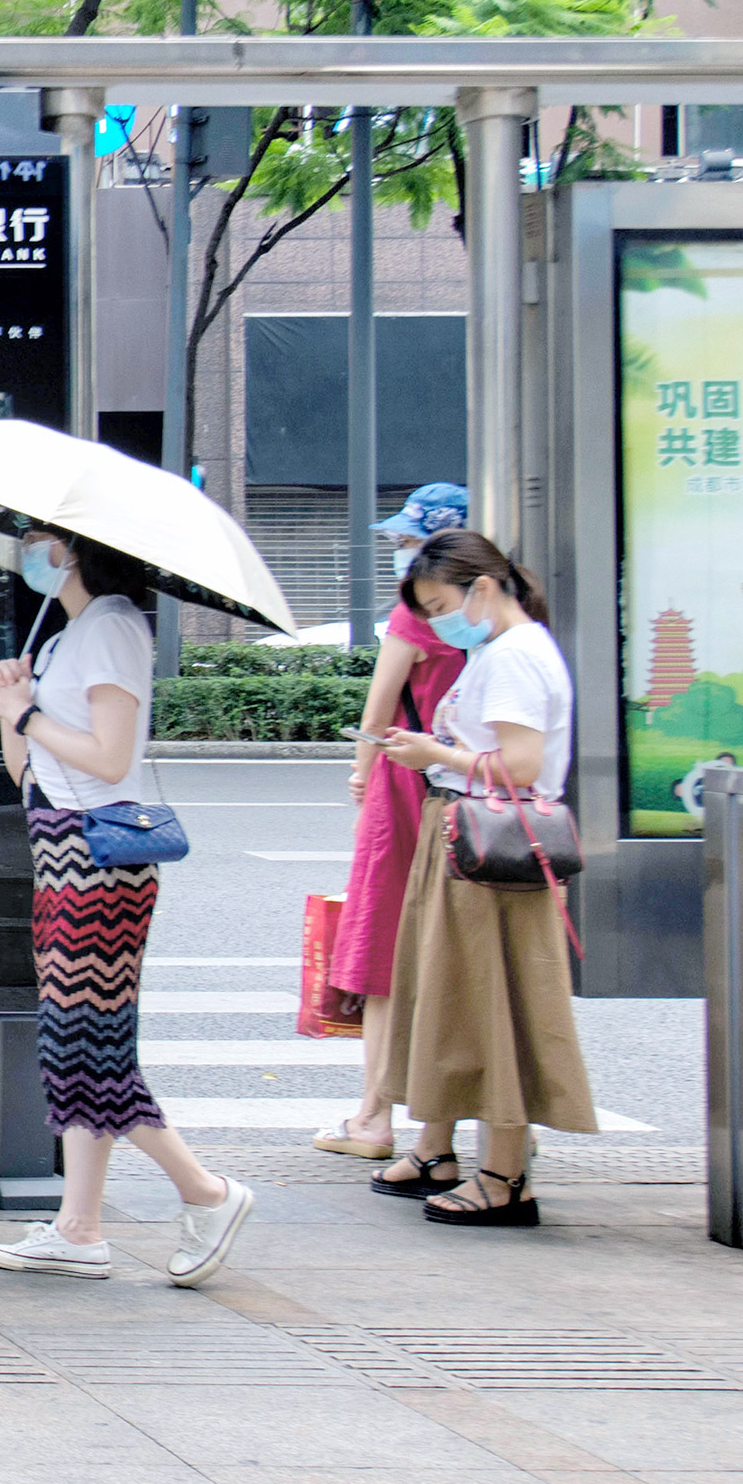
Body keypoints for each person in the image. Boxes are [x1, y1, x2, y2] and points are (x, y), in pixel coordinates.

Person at [0, 528, 255, 1287]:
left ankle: (206, 1191)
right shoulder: (71, 636)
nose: (26, 552)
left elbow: (109, 756)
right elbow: (25, 775)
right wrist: (12, 709)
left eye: (38, 541)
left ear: (74, 549)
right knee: (77, 1043)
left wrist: (28, 714)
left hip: (101, 858)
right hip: (59, 849)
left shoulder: (113, 628)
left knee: (84, 1046)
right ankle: (80, 1225)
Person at [367, 526, 595, 1229]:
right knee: (457, 1001)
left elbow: (521, 766)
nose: (437, 623)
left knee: (491, 1010)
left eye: (440, 606)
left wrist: (434, 751)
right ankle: (444, 1153)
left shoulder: (515, 655)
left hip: (492, 850)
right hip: (473, 843)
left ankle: (502, 1176)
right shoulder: (507, 650)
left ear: (484, 589)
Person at [319, 484, 472, 1156]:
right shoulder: (499, 615)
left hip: (408, 779)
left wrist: (360, 774)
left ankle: (374, 1117)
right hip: (474, 789)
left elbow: (379, 711)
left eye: (412, 542)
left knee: (381, 944)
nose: (402, 555)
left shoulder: (415, 615)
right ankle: (450, 1127)